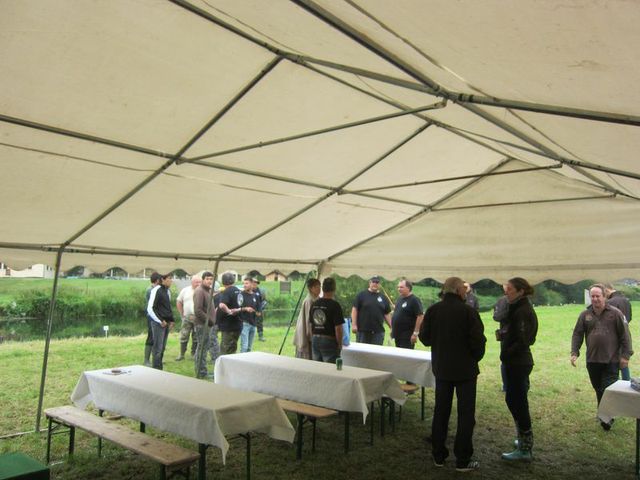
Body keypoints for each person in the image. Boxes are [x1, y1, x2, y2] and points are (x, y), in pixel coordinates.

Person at [419, 276, 486, 472]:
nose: (466, 291)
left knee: (441, 411)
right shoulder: (468, 312)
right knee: (466, 415)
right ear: (457, 291)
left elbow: (425, 338)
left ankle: (438, 455)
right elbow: (478, 341)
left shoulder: (433, 310)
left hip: (442, 369)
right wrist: (474, 357)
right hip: (465, 371)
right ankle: (463, 459)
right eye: (464, 289)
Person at [571, 284, 633, 430]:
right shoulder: (585, 315)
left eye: (598, 296)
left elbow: (625, 335)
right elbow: (577, 334)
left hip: (611, 359)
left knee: (607, 389)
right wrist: (574, 352)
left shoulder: (615, 313)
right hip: (592, 359)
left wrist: (626, 355)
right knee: (598, 388)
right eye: (592, 296)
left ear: (604, 296)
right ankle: (603, 412)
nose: (595, 299)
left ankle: (607, 418)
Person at [498, 277, 538, 462]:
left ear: (520, 291)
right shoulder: (517, 307)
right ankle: (522, 440)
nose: (506, 291)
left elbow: (524, 340)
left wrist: (507, 352)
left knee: (518, 403)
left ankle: (525, 448)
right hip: (515, 361)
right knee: (513, 400)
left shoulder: (522, 310)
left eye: (510, 289)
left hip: (519, 362)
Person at [310, 277, 345, 363]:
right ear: (334, 289)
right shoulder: (335, 305)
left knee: (317, 368)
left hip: (315, 338)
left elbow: (311, 324)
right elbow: (338, 328)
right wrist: (340, 344)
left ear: (323, 289)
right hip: (328, 340)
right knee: (330, 369)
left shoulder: (314, 304)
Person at [604, 283, 633, 380]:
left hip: (612, 336)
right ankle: (626, 383)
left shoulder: (609, 302)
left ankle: (614, 384)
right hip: (625, 334)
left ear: (607, 290)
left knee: (613, 362)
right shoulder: (626, 300)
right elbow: (629, 318)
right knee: (624, 362)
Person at [351, 276, 392, 345]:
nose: (375, 284)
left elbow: (387, 314)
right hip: (363, 331)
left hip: (378, 332)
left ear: (379, 284)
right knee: (362, 351)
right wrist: (354, 325)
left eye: (377, 282)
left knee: (376, 351)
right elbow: (354, 310)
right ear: (369, 283)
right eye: (373, 282)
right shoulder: (361, 295)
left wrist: (392, 327)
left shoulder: (383, 298)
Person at [146, 273, 175, 370]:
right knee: (157, 349)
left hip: (166, 323)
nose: (171, 280)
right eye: (169, 278)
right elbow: (150, 308)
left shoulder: (167, 291)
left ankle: (160, 368)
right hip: (158, 324)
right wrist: (160, 320)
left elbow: (167, 308)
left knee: (162, 348)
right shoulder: (156, 290)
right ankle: (156, 369)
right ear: (162, 279)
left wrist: (171, 320)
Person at [193, 271, 215, 379]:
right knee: (202, 349)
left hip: (207, 325)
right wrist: (209, 321)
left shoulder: (208, 290)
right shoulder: (200, 291)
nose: (209, 281)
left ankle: (202, 370)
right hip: (202, 325)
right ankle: (201, 372)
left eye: (211, 279)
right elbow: (198, 310)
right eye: (207, 279)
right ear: (203, 279)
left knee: (204, 348)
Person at [391, 279, 424, 350]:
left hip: (407, 336)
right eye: (398, 287)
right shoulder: (400, 298)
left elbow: (420, 316)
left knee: (404, 355)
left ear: (408, 288)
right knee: (398, 355)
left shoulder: (414, 300)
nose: (399, 289)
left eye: (401, 287)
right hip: (398, 335)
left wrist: (415, 333)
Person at [175, 275, 202, 361]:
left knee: (196, 336)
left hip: (198, 318)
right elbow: (179, 301)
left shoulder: (202, 291)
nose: (198, 284)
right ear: (192, 282)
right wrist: (181, 313)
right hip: (187, 317)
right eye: (196, 282)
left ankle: (193, 354)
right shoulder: (185, 290)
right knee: (184, 335)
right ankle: (181, 354)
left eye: (200, 282)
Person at [217, 271, 244, 355]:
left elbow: (222, 305)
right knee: (233, 348)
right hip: (238, 324)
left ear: (223, 281)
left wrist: (229, 311)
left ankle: (224, 364)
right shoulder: (238, 291)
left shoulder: (227, 291)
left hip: (228, 325)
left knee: (225, 350)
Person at [293, 278, 321, 359]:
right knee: (307, 357)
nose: (319, 288)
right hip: (306, 332)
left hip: (313, 332)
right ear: (311, 288)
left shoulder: (317, 299)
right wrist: (312, 336)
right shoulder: (309, 300)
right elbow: (308, 321)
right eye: (317, 286)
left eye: (320, 286)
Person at [493, 285, 510, 392]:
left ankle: (508, 386)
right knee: (506, 359)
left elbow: (497, 316)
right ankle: (507, 386)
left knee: (506, 359)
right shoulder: (502, 300)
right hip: (506, 334)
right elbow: (496, 316)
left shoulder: (503, 300)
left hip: (509, 335)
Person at [143, 272, 161, 366]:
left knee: (158, 338)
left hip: (158, 317)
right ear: (157, 280)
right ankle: (146, 360)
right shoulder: (150, 290)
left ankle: (157, 358)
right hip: (152, 317)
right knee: (151, 337)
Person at [239, 277, 258, 353]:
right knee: (244, 346)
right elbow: (237, 308)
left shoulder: (255, 295)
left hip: (253, 323)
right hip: (244, 323)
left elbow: (257, 308)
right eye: (244, 283)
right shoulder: (241, 295)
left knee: (249, 348)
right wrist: (245, 308)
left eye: (246, 283)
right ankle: (241, 360)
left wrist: (257, 312)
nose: (245, 285)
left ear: (251, 284)